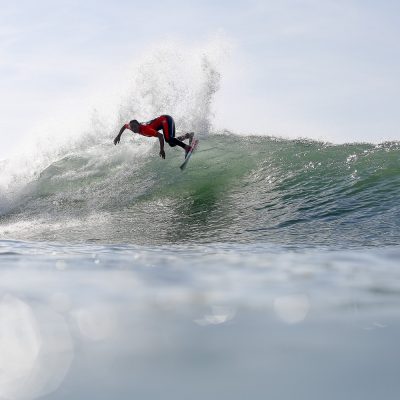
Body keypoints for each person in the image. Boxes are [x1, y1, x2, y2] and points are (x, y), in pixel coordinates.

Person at [113, 115, 194, 159]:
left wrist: (162, 149)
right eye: (132, 128)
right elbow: (124, 126)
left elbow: (160, 136)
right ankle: (188, 135)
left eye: (135, 127)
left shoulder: (145, 129)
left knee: (168, 139)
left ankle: (187, 148)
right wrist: (118, 136)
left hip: (166, 120)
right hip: (163, 122)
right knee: (171, 143)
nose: (134, 129)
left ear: (138, 125)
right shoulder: (132, 127)